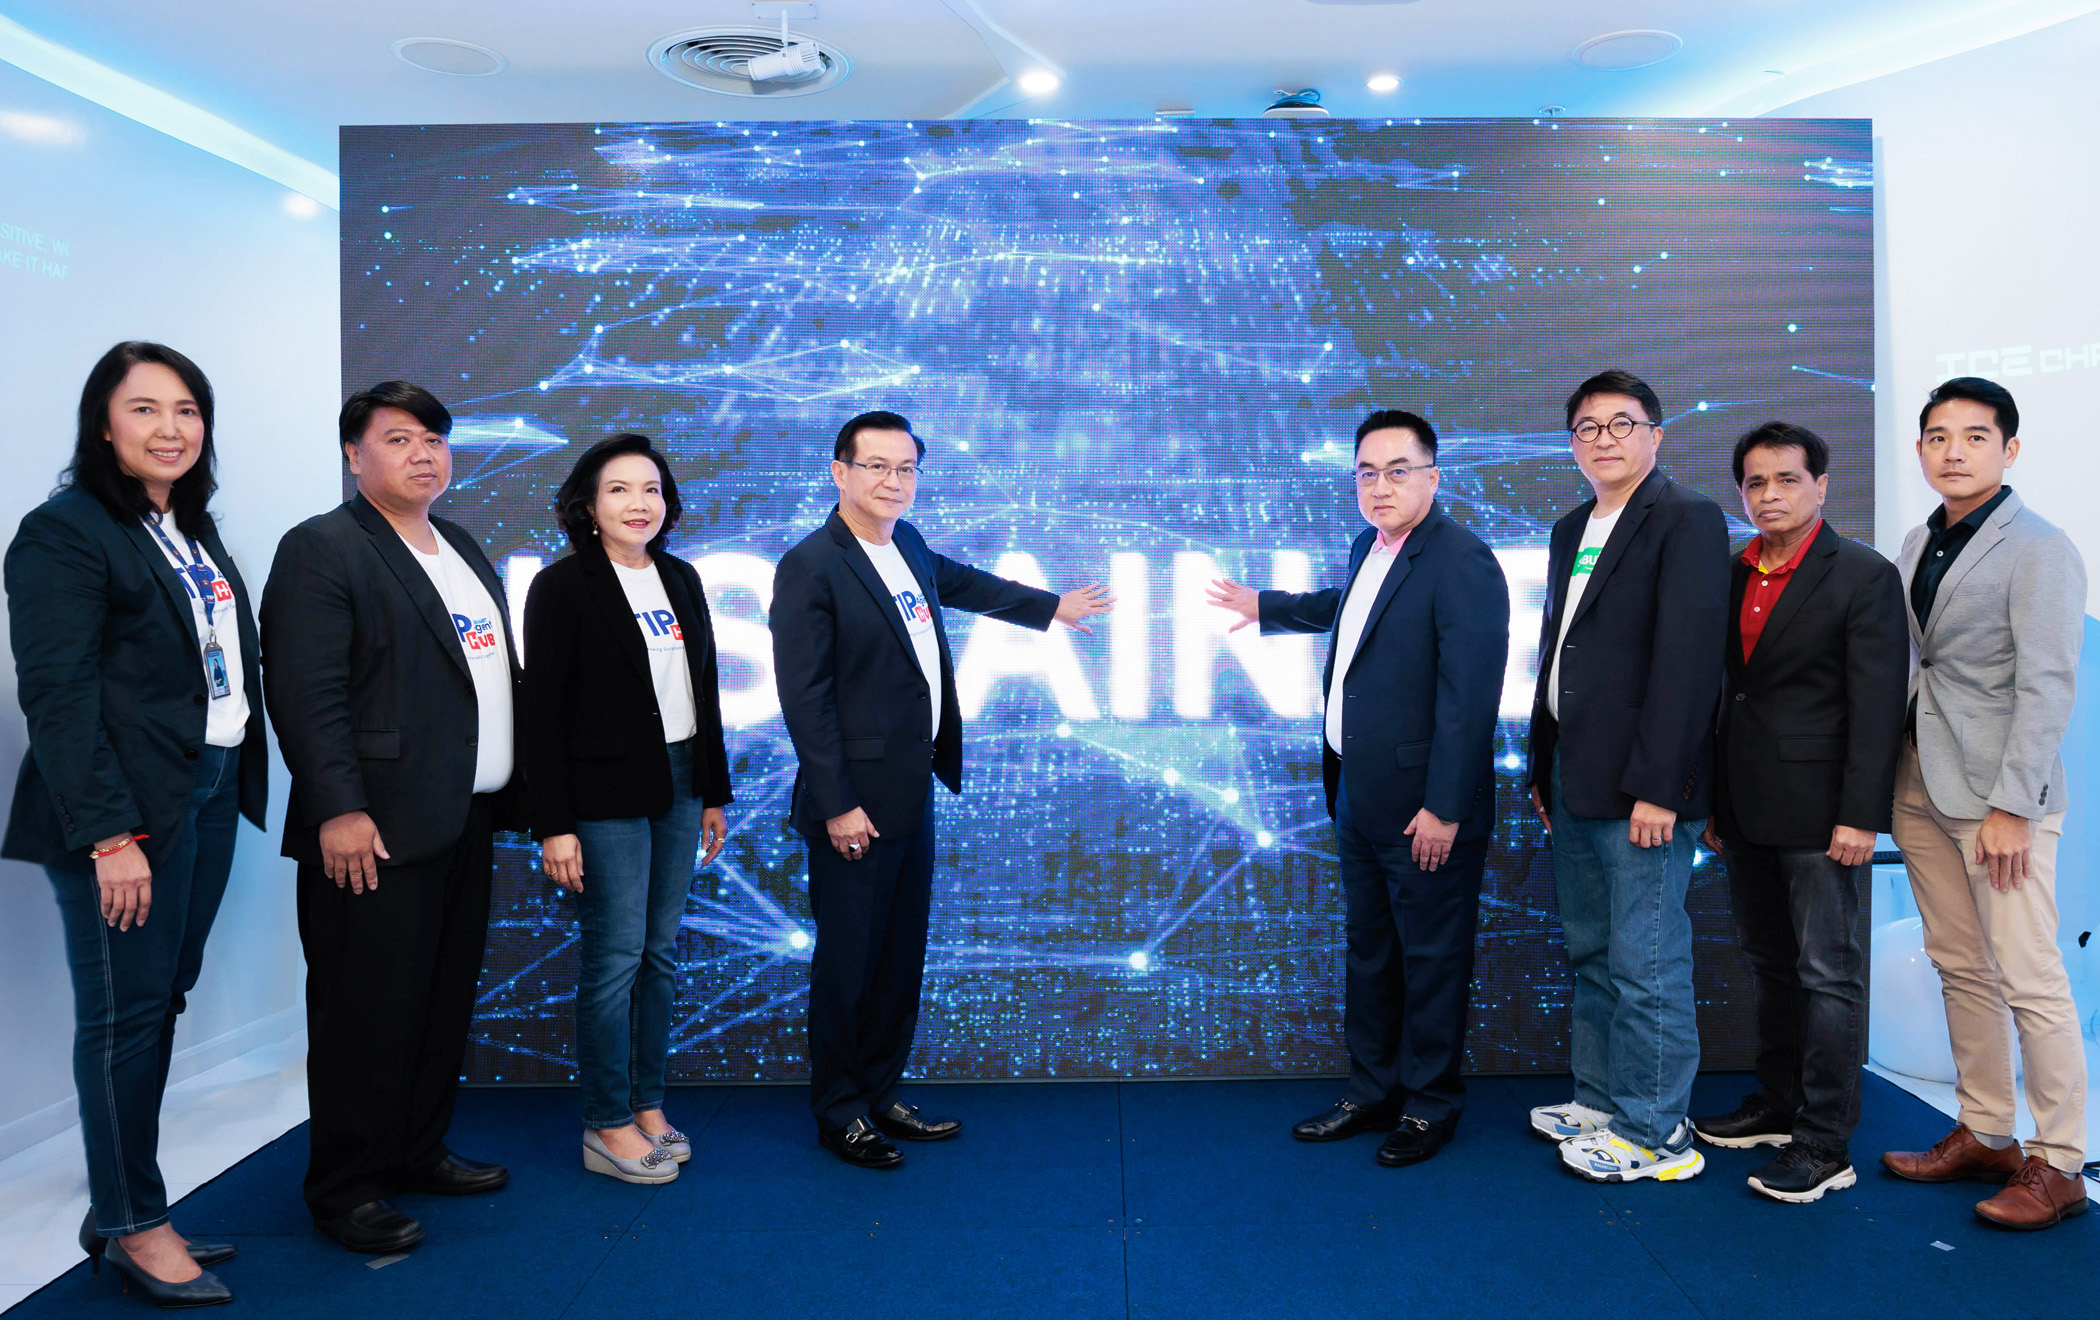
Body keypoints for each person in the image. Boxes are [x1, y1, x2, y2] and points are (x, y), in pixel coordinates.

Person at [771, 410, 1113, 1168]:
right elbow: (805, 699)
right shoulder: (811, 565)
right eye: (876, 467)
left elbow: (963, 584)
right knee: (848, 965)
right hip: (853, 805)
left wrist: (1050, 608)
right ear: (840, 473)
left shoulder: (910, 545)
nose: (893, 482)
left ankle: (881, 1091)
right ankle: (840, 1111)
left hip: (909, 789)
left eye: (906, 469)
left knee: (898, 958)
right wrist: (837, 804)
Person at [4, 342, 268, 1308]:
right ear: (103, 425)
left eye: (187, 410)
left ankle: (122, 1205)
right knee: (125, 1016)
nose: (171, 428)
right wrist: (111, 836)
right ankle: (134, 1223)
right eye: (146, 408)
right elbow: (59, 695)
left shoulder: (190, 531)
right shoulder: (64, 532)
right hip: (127, 812)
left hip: (209, 788)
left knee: (159, 1001)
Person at [260, 382, 523, 1254]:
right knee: (363, 1014)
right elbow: (307, 694)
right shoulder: (323, 547)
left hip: (464, 817)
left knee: (440, 1001)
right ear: (354, 454)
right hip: (371, 829)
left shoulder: (461, 545)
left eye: (435, 440)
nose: (423, 454)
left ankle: (417, 1149)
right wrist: (338, 808)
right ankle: (346, 1188)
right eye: (400, 438)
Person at [1209, 409, 1508, 1168]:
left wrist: (1443, 807)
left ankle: (1430, 1106)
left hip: (1425, 810)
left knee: (1431, 961)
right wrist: (1265, 606)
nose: (1380, 487)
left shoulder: (1462, 560)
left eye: (1397, 471)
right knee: (1371, 953)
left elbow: (1469, 700)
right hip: (1360, 796)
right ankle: (1372, 1091)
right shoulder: (1368, 546)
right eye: (1367, 473)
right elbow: (1348, 611)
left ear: (1432, 477)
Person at [1879, 378, 2090, 1231]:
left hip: (2000, 801)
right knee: (1959, 965)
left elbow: (2047, 684)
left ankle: (2061, 1162)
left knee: (2029, 976)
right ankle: (1987, 1131)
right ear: (1921, 450)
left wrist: (2014, 805)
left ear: (2010, 450)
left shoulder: (2040, 547)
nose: (1953, 451)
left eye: (1974, 436)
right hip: (1920, 785)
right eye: (1938, 437)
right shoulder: (1917, 540)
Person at [1692, 423, 1907, 1203]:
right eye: (1756, 482)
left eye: (1787, 479)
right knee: (1770, 963)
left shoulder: (1863, 574)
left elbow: (1877, 708)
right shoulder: (1730, 570)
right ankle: (1778, 1105)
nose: (1770, 495)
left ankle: (1824, 1142)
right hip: (1744, 806)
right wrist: (1713, 801)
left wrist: (1861, 815)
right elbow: (1727, 695)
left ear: (1821, 485)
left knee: (1828, 975)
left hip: (1824, 815)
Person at [1524, 369, 1729, 1184]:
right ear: (1572, 444)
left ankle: (1656, 1133)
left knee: (1646, 962)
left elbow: (1689, 664)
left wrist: (1661, 787)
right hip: (1575, 776)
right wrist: (1543, 765)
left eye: (1621, 423)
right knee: (1594, 950)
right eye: (1588, 427)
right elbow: (1561, 653)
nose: (1603, 439)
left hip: (1644, 788)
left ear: (1656, 434)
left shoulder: (1686, 518)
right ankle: (1604, 1100)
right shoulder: (1571, 527)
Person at [522, 434, 733, 1184]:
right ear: (588, 505)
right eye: (619, 489)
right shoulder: (562, 586)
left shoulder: (680, 577)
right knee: (615, 958)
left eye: (652, 489)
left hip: (681, 782)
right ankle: (605, 1121)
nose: (639, 503)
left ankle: (647, 1106)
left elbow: (703, 691)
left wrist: (712, 791)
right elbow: (541, 715)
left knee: (660, 953)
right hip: (602, 793)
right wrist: (554, 824)